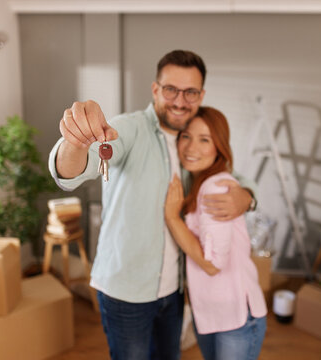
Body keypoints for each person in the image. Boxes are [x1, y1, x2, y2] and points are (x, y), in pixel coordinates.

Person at [48, 50, 258, 360]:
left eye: (190, 92)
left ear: (201, 95)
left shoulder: (193, 142)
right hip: (126, 291)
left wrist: (248, 196)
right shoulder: (128, 129)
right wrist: (76, 142)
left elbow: (231, 177)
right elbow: (80, 168)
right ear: (155, 89)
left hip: (174, 291)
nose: (179, 101)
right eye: (171, 89)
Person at [164, 106, 267, 360]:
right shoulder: (197, 182)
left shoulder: (216, 188)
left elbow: (212, 265)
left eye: (204, 139)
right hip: (211, 315)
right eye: (186, 136)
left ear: (219, 146)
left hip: (237, 318)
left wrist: (172, 218)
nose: (191, 148)